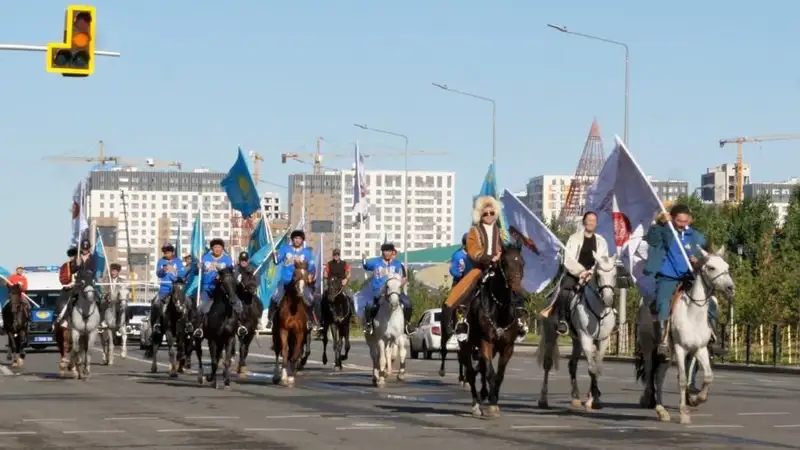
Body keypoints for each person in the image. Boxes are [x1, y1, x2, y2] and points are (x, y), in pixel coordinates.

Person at [643, 203, 708, 357]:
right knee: (663, 302)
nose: (682, 225)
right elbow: (652, 240)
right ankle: (663, 341)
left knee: (708, 299)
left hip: (689, 277)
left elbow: (705, 253)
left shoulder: (696, 236)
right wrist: (659, 223)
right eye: (679, 221)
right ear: (672, 218)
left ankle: (712, 336)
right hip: (668, 276)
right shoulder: (664, 231)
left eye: (686, 221)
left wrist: (697, 260)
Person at [441, 196, 504, 335]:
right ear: (480, 215)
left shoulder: (500, 232)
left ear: (496, 214)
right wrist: (489, 258)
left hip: (498, 268)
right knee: (465, 291)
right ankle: (459, 320)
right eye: (485, 213)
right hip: (480, 268)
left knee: (514, 285)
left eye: (491, 213)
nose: (488, 216)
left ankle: (518, 320)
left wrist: (501, 255)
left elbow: (504, 247)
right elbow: (473, 251)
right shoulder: (473, 232)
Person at [554, 211, 609, 335]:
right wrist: (582, 272)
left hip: (594, 275)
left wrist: (592, 272)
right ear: (584, 222)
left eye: (593, 221)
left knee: (608, 289)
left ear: (596, 223)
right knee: (565, 290)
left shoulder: (602, 241)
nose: (591, 223)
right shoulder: (574, 238)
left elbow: (603, 260)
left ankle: (610, 318)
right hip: (575, 273)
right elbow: (568, 259)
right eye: (589, 220)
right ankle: (563, 320)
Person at [193, 238, 244, 338]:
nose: (217, 249)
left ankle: (240, 325)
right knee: (202, 307)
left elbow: (232, 273)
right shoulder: (205, 258)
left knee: (237, 303)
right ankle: (199, 328)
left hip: (223, 290)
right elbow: (195, 272)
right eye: (215, 247)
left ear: (222, 248)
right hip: (208, 289)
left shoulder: (227, 259)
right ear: (212, 248)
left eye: (219, 247)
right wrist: (197, 267)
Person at [266, 230, 316, 330]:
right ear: (292, 239)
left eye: (299, 238)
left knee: (310, 298)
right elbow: (277, 261)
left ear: (302, 240)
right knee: (275, 297)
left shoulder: (306, 252)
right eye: (295, 238)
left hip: (300, 282)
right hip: (286, 281)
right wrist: (274, 255)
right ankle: (270, 320)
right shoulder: (285, 249)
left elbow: (311, 267)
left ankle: (311, 320)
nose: (297, 240)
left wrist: (310, 275)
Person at [361, 242, 410, 335]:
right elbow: (366, 266)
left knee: (408, 304)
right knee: (369, 305)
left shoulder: (397, 264)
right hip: (379, 291)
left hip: (394, 291)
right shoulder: (376, 263)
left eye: (389, 251)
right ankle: (369, 324)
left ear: (392, 252)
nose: (387, 253)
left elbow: (403, 277)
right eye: (385, 251)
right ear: (382, 252)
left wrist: (402, 282)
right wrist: (364, 260)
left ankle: (407, 325)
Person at [55, 238, 100, 326]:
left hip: (89, 283)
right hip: (78, 283)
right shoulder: (77, 258)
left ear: (89, 249)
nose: (85, 250)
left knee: (99, 299)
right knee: (70, 299)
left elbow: (94, 271)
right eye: (83, 248)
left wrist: (88, 275)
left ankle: (100, 321)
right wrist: (77, 265)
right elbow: (72, 270)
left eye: (86, 249)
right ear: (81, 249)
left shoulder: (93, 258)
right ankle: (66, 319)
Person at [150, 243, 185, 334]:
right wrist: (163, 270)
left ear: (172, 252)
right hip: (164, 289)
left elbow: (182, 274)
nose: (166, 254)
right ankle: (157, 323)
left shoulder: (178, 261)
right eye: (165, 252)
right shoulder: (161, 261)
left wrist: (174, 270)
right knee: (156, 303)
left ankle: (187, 323)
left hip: (176, 289)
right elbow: (158, 274)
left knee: (186, 303)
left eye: (168, 252)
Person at [323, 249, 356, 317]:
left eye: (337, 254)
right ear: (333, 255)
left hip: (341, 283)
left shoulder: (344, 263)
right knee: (323, 296)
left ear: (339, 255)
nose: (336, 256)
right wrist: (325, 274)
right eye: (335, 254)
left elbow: (349, 273)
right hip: (331, 283)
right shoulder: (329, 264)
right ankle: (322, 316)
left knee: (351, 296)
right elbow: (325, 272)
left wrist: (346, 279)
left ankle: (353, 313)